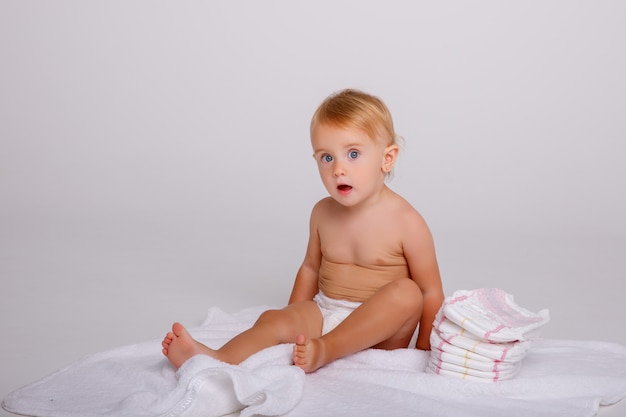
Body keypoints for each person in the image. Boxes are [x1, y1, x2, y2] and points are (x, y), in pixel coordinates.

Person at [162, 89, 444, 373]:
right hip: (326, 311)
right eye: (326, 158)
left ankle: (327, 349)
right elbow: (310, 269)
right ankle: (216, 358)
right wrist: (291, 316)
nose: (338, 169)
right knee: (272, 319)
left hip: (379, 332)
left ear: (387, 158)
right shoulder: (322, 212)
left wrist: (423, 351)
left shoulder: (406, 221)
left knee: (407, 293)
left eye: (353, 154)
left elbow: (430, 291)